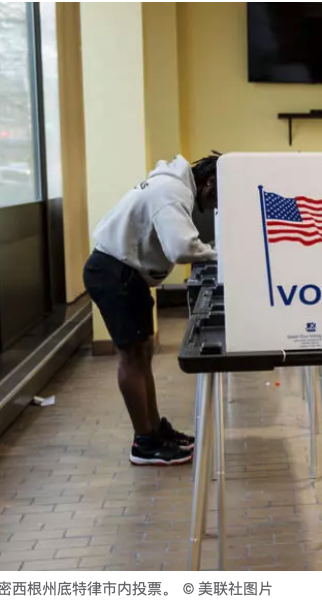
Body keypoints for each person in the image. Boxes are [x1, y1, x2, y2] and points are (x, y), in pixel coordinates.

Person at [84, 154, 219, 466]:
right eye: (217, 196)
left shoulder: (172, 187)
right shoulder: (171, 192)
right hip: (112, 273)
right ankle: (144, 442)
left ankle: (155, 430)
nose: (214, 205)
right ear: (208, 182)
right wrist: (217, 254)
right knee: (131, 356)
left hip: (126, 275)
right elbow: (181, 247)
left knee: (142, 352)